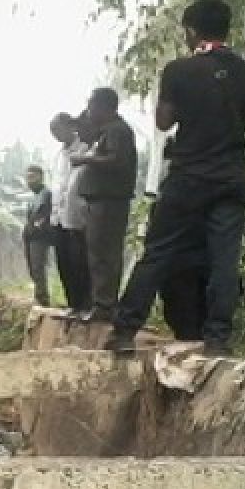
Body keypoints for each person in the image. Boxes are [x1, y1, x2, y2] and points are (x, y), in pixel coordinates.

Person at [108, 0, 245, 356]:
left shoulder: (180, 70)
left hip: (190, 176)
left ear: (191, 31)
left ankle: (124, 330)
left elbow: (164, 121)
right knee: (224, 258)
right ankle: (218, 339)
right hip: (232, 177)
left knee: (158, 252)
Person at [71, 88, 137, 323]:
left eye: (91, 106)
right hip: (99, 200)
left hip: (109, 201)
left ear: (104, 107)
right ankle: (101, 302)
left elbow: (116, 160)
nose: (89, 111)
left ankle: (106, 305)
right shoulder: (106, 131)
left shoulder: (119, 131)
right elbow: (89, 137)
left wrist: (85, 159)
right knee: (97, 252)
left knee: (104, 254)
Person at [48, 113, 91, 315]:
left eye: (58, 130)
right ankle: (72, 303)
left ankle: (85, 303)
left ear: (69, 127)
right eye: (53, 133)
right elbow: (57, 186)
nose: (57, 136)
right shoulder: (58, 156)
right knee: (63, 262)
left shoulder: (84, 149)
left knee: (79, 262)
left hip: (77, 216)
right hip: (57, 217)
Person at [22, 165, 53, 307]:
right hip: (30, 236)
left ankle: (43, 299)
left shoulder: (46, 194)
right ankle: (39, 296)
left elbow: (44, 217)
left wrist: (37, 227)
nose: (30, 181)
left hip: (39, 237)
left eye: (33, 177)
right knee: (33, 268)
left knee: (38, 267)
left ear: (41, 177)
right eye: (28, 178)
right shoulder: (33, 197)